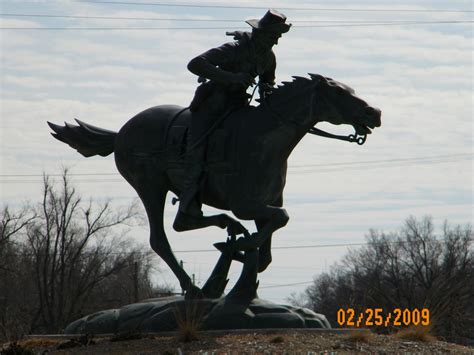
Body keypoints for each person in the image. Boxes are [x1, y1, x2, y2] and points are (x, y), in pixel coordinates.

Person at [175, 9, 291, 225]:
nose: (276, 40)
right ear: (261, 33)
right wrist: (232, 77)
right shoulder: (233, 49)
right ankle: (188, 206)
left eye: (278, 36)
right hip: (211, 107)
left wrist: (272, 102)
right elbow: (195, 64)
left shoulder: (268, 57)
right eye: (274, 35)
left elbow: (267, 85)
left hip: (239, 107)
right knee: (196, 150)